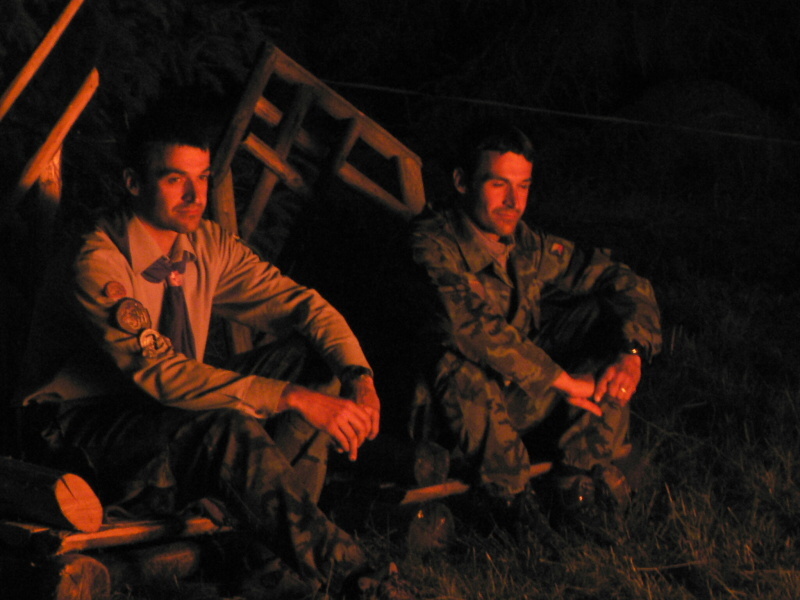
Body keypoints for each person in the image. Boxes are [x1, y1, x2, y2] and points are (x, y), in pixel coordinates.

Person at [13, 108, 412, 599]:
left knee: (310, 359)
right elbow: (163, 375)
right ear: (134, 183)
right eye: (175, 179)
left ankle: (268, 561)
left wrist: (358, 377)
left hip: (162, 415)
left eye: (202, 177)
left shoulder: (205, 245)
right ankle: (361, 581)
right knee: (224, 425)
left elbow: (303, 306)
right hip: (79, 432)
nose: (195, 196)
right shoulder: (97, 261)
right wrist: (290, 397)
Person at [397, 119, 662, 534]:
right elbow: (471, 326)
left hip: (514, 401)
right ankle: (511, 501)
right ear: (462, 182)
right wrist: (564, 382)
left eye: (523, 186)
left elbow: (622, 280)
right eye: (498, 184)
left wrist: (632, 355)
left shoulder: (525, 243)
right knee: (453, 355)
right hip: (445, 416)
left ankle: (574, 480)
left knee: (605, 318)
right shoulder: (430, 243)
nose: (513, 201)